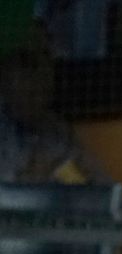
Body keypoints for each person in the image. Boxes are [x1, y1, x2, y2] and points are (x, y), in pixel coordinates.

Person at [0, 32, 110, 185]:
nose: (38, 101)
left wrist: (66, 173)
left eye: (43, 92)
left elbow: (99, 186)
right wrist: (29, 176)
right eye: (29, 94)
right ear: (6, 91)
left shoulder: (58, 132)